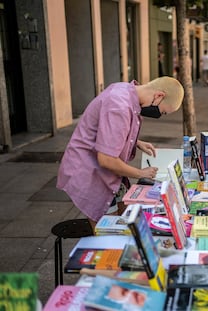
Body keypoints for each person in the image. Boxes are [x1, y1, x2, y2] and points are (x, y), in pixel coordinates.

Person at [57, 77, 184, 229]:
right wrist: (139, 173)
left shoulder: (126, 91)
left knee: (126, 220)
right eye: (163, 112)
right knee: (110, 233)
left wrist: (136, 142)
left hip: (105, 171)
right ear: (159, 96)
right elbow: (107, 159)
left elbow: (109, 131)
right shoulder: (119, 106)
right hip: (90, 172)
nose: (159, 115)